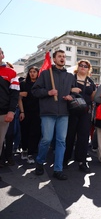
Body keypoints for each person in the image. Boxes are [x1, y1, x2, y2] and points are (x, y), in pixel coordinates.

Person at [32, 50, 77, 180]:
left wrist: (71, 96)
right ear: (54, 59)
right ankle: (40, 162)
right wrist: (48, 92)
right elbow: (35, 91)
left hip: (64, 113)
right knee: (46, 139)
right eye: (60, 56)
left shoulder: (70, 76)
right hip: (48, 112)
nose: (62, 58)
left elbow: (74, 92)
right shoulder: (46, 74)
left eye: (64, 56)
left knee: (61, 141)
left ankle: (58, 169)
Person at [64, 60, 96, 173]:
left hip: (86, 111)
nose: (83, 67)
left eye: (86, 66)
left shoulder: (90, 81)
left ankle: (82, 161)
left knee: (84, 136)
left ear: (88, 68)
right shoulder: (71, 78)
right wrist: (71, 90)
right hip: (73, 110)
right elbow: (63, 89)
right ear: (78, 67)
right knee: (70, 135)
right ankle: (65, 159)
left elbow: (92, 97)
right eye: (81, 65)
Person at [0, 47, 19, 181]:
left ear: (3, 55)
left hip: (3, 114)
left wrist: (11, 111)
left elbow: (14, 94)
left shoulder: (11, 72)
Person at [18, 66, 41, 164]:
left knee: (35, 133)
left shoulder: (41, 84)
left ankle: (31, 153)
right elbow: (19, 99)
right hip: (26, 112)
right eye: (31, 72)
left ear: (37, 73)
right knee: (25, 132)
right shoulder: (23, 84)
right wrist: (22, 112)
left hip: (37, 113)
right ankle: (24, 150)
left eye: (34, 72)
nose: (32, 73)